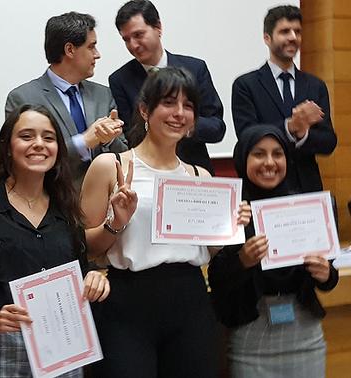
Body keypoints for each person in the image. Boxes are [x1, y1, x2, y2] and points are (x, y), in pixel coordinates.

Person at [80, 67, 249, 377]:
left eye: (188, 106)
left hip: (190, 298)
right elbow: (85, 249)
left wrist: (228, 228)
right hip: (128, 302)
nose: (179, 113)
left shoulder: (200, 177)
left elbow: (206, 252)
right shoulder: (112, 166)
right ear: (145, 109)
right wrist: (117, 222)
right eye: (169, 103)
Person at [0, 105, 110, 377]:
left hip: (63, 345)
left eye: (48, 138)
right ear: (7, 146)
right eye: (27, 136)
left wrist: (95, 278)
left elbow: (79, 268)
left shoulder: (66, 205)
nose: (39, 144)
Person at [208, 125, 339, 378]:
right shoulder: (231, 210)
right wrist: (242, 260)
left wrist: (326, 274)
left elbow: (329, 278)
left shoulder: (305, 206)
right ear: (243, 158)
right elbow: (216, 280)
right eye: (259, 154)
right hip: (251, 341)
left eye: (278, 154)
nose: (269, 162)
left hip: (305, 338)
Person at [6, 12, 127, 185]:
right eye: (91, 46)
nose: (97, 54)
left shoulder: (104, 95)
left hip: (103, 202)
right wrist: (84, 142)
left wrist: (108, 139)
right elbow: (22, 163)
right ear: (69, 49)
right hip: (50, 203)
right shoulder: (22, 98)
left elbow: (124, 154)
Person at [109, 0, 226, 173]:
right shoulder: (120, 79)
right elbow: (129, 135)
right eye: (126, 39)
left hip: (194, 173)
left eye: (139, 35)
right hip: (147, 173)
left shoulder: (195, 69)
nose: (133, 45)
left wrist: (182, 124)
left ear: (158, 27)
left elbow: (216, 128)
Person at [232, 5, 337, 193]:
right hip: (263, 188)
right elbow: (247, 137)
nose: (293, 37)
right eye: (284, 31)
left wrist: (302, 134)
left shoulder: (315, 85)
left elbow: (328, 141)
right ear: (267, 38)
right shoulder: (245, 85)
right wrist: (290, 127)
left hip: (307, 186)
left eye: (297, 31)